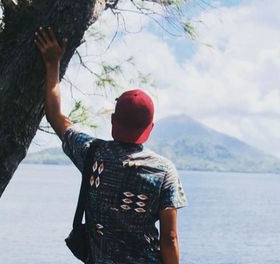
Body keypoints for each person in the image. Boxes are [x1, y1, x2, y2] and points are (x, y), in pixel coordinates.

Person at [34, 27, 187, 264]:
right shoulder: (164, 171)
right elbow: (169, 238)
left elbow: (55, 117)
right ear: (149, 128)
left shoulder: (92, 153)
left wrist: (53, 63)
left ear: (114, 121)